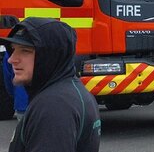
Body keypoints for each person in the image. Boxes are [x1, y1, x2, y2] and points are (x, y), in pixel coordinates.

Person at [2, 17, 100, 152]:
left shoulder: (52, 106)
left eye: (25, 51)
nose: (12, 59)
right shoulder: (70, 91)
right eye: (13, 49)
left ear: (50, 55)